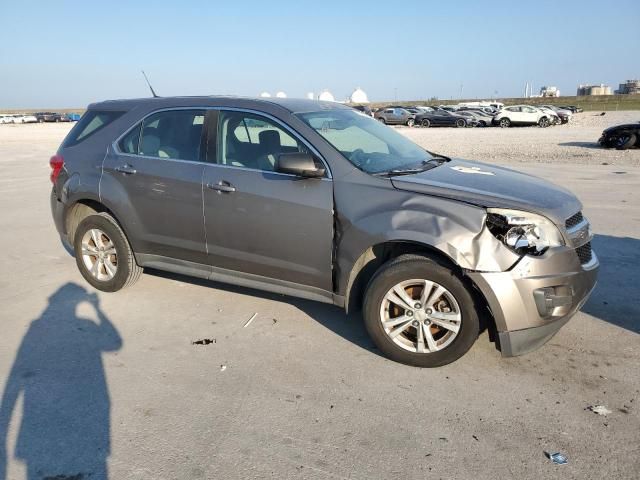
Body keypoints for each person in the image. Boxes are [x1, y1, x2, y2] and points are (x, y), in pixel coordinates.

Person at [0, 283, 121, 480]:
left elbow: (18, 371)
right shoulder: (74, 325)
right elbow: (115, 342)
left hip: (41, 431)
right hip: (82, 424)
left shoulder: (37, 327)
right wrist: (97, 309)